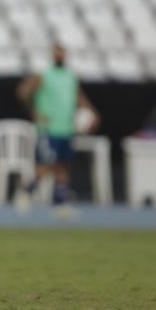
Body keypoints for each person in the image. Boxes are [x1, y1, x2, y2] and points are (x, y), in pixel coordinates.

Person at [17, 44, 99, 204]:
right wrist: (33, 111)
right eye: (57, 53)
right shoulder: (44, 74)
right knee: (47, 164)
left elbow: (79, 98)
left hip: (67, 128)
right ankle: (25, 192)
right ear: (52, 55)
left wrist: (92, 113)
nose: (59, 56)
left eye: (62, 53)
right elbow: (23, 91)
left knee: (63, 166)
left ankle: (60, 204)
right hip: (49, 129)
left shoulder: (70, 76)